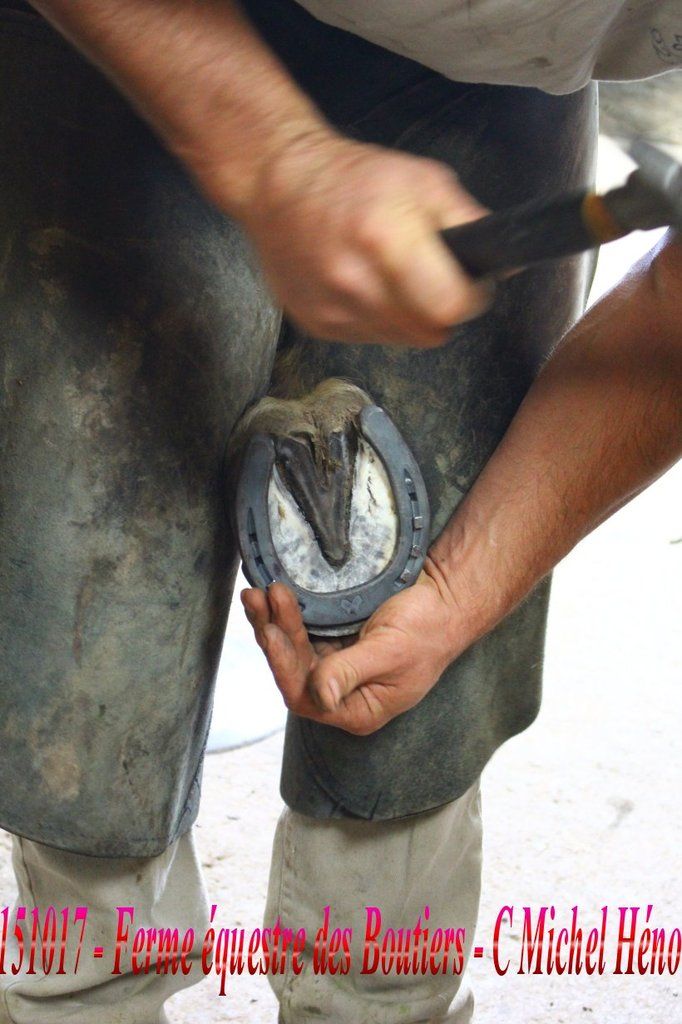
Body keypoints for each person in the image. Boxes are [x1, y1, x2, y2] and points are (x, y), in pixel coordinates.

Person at [0, 1, 679, 1022]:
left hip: (493, 75)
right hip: (121, 34)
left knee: (409, 722)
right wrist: (274, 156)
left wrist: (457, 594)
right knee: (90, 694)